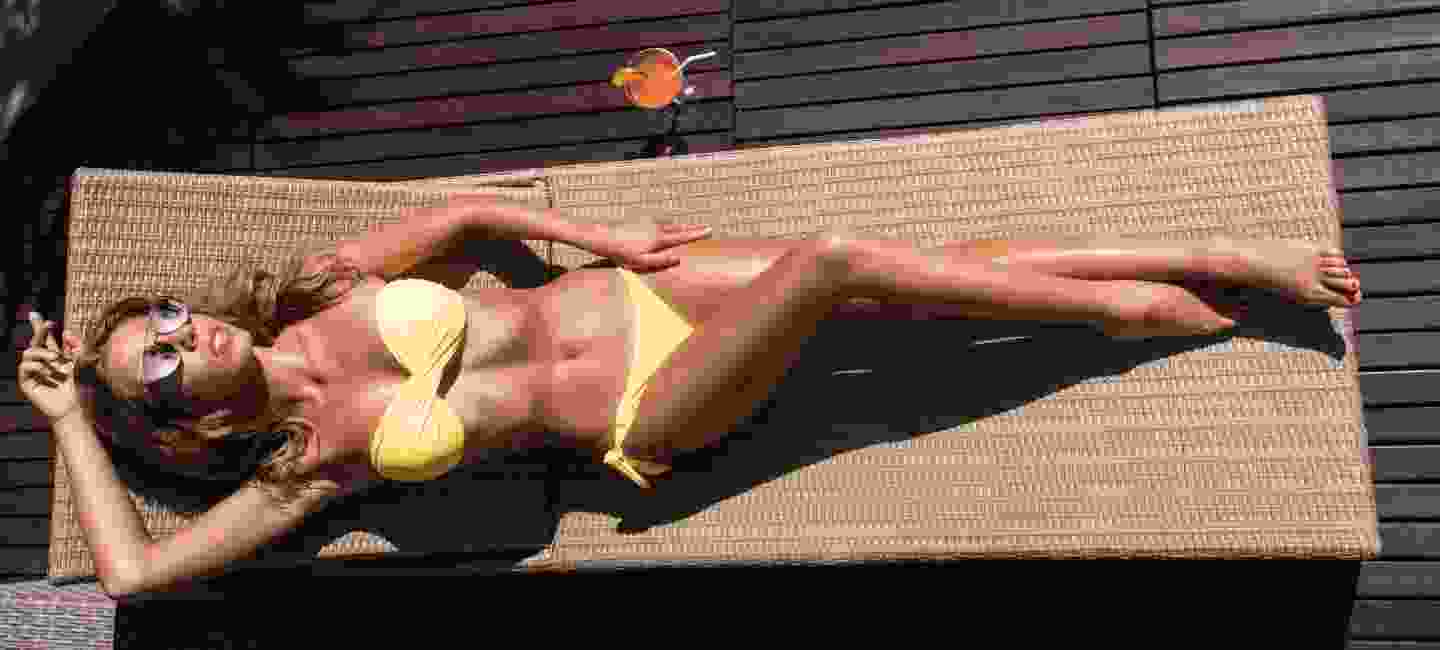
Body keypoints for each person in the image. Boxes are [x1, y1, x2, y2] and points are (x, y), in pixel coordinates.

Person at [18, 194, 1362, 599]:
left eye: (168, 318)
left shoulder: (321, 288)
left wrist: (606, 240)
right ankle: (1135, 311)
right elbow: (132, 577)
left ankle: (1208, 256)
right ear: (186, 420)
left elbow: (473, 213)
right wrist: (73, 418)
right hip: (647, 408)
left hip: (633, 294)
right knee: (841, 261)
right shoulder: (304, 465)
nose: (185, 335)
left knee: (941, 264)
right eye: (160, 362)